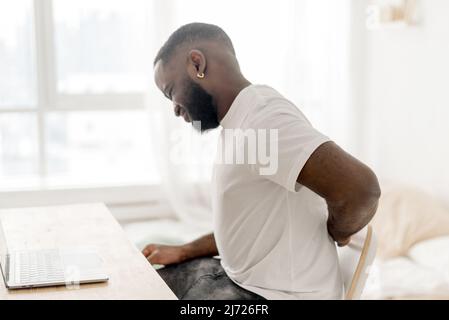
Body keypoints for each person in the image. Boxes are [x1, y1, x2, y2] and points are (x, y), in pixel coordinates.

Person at [143, 23, 381, 300]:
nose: (174, 109)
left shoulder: (263, 120)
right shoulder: (240, 121)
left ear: (197, 63)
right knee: (140, 284)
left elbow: (362, 190)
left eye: (171, 91)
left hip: (271, 296)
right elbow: (248, 228)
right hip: (240, 281)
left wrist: (337, 231)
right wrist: (185, 250)